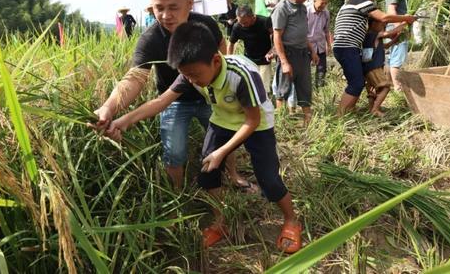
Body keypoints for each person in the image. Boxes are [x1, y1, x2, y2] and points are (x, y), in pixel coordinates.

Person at [105, 22, 302, 253]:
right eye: (185, 75)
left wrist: (221, 152)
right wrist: (122, 121)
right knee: (207, 174)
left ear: (216, 61)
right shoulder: (190, 75)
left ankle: (291, 220)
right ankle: (221, 222)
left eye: (195, 75)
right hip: (222, 119)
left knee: (268, 178)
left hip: (256, 125)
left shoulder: (242, 75)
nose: (191, 81)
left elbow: (252, 121)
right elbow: (160, 102)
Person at [94, 0, 250, 191]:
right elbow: (134, 79)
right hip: (173, 101)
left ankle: (233, 176)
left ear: (189, 3)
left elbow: (222, 52)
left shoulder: (206, 25)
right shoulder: (150, 39)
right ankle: (178, 193)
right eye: (159, 8)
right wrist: (108, 108)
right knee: (174, 151)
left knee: (225, 139)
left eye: (173, 7)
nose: (166, 15)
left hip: (211, 97)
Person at [333, 0, 416, 116]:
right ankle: (340, 115)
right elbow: (384, 17)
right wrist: (406, 18)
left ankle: (347, 112)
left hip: (345, 47)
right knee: (357, 83)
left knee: (357, 82)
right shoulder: (361, 1)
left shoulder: (349, 3)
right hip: (347, 47)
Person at [272, 0, 325, 125]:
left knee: (305, 87)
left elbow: (304, 34)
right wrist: (284, 62)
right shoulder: (282, 8)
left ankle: (308, 122)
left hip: (303, 54)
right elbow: (277, 36)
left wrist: (312, 51)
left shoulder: (302, 7)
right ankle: (283, 123)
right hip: (288, 53)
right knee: (283, 89)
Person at [362, 20, 407, 117]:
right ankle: (375, 109)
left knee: (372, 90)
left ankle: (371, 109)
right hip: (374, 67)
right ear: (374, 24)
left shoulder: (369, 36)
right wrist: (405, 23)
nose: (384, 27)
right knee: (386, 87)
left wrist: (396, 39)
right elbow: (390, 33)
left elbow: (385, 46)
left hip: (367, 68)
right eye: (383, 25)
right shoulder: (373, 34)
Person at [228, 5, 274, 93]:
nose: (242, 25)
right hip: (248, 61)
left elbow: (276, 35)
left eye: (244, 23)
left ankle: (264, 105)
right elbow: (231, 43)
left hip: (264, 59)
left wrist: (273, 50)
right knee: (251, 88)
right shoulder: (237, 26)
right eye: (240, 22)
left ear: (252, 16)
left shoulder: (265, 21)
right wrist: (229, 60)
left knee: (263, 89)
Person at [385, 0, 414, 91]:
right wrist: (399, 28)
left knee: (393, 58)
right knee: (397, 58)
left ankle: (389, 85)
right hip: (397, 29)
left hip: (403, 27)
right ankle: (397, 88)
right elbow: (391, 9)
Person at [306, 0, 331, 88]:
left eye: (325, 3)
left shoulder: (326, 13)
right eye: (322, 3)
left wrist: (328, 45)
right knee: (305, 71)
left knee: (321, 71)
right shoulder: (306, 11)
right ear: (314, 1)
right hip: (307, 45)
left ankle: (320, 93)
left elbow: (326, 30)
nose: (323, 5)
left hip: (320, 45)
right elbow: (302, 32)